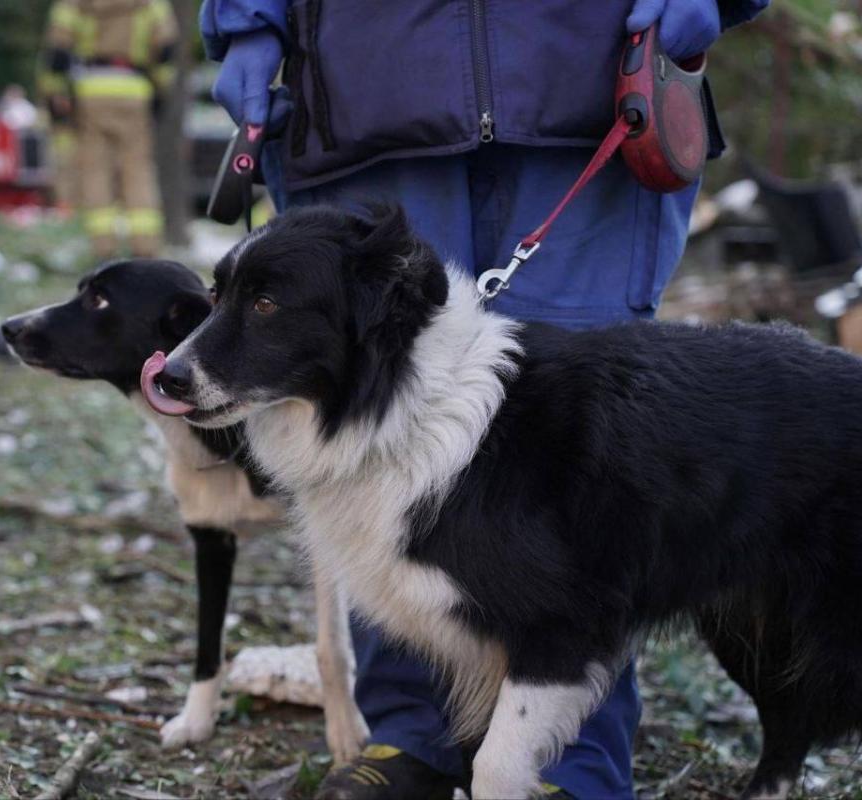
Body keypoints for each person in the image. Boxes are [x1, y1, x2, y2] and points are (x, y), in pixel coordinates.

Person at [200, 1, 769, 798]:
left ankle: (567, 767)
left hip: (593, 98)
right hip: (366, 98)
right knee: (366, 442)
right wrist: (247, 18)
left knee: (585, 466)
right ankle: (412, 740)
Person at [41, 0, 177, 258]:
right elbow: (166, 46)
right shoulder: (151, 4)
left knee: (94, 171)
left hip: (90, 91)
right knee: (137, 170)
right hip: (135, 89)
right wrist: (160, 89)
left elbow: (58, 49)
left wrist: (54, 91)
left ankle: (103, 247)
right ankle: (145, 246)